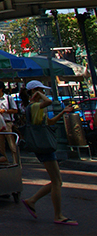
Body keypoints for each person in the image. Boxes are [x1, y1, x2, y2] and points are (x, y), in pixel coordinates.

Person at [20, 80, 78, 226]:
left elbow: (49, 122)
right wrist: (37, 94)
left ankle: (32, 200)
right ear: (35, 91)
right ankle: (58, 215)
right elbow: (49, 102)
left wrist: (63, 112)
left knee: (57, 180)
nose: (44, 93)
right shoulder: (34, 106)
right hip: (44, 145)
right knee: (57, 181)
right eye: (41, 90)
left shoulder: (35, 107)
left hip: (43, 144)